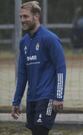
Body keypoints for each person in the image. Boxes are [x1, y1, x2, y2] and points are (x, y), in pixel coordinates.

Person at [11, 1, 66, 135]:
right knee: (35, 131)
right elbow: (22, 74)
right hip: (32, 98)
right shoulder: (23, 42)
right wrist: (16, 101)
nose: (22, 20)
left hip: (48, 97)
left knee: (40, 131)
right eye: (21, 17)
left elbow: (61, 68)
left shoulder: (50, 39)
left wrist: (58, 96)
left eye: (25, 16)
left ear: (36, 16)